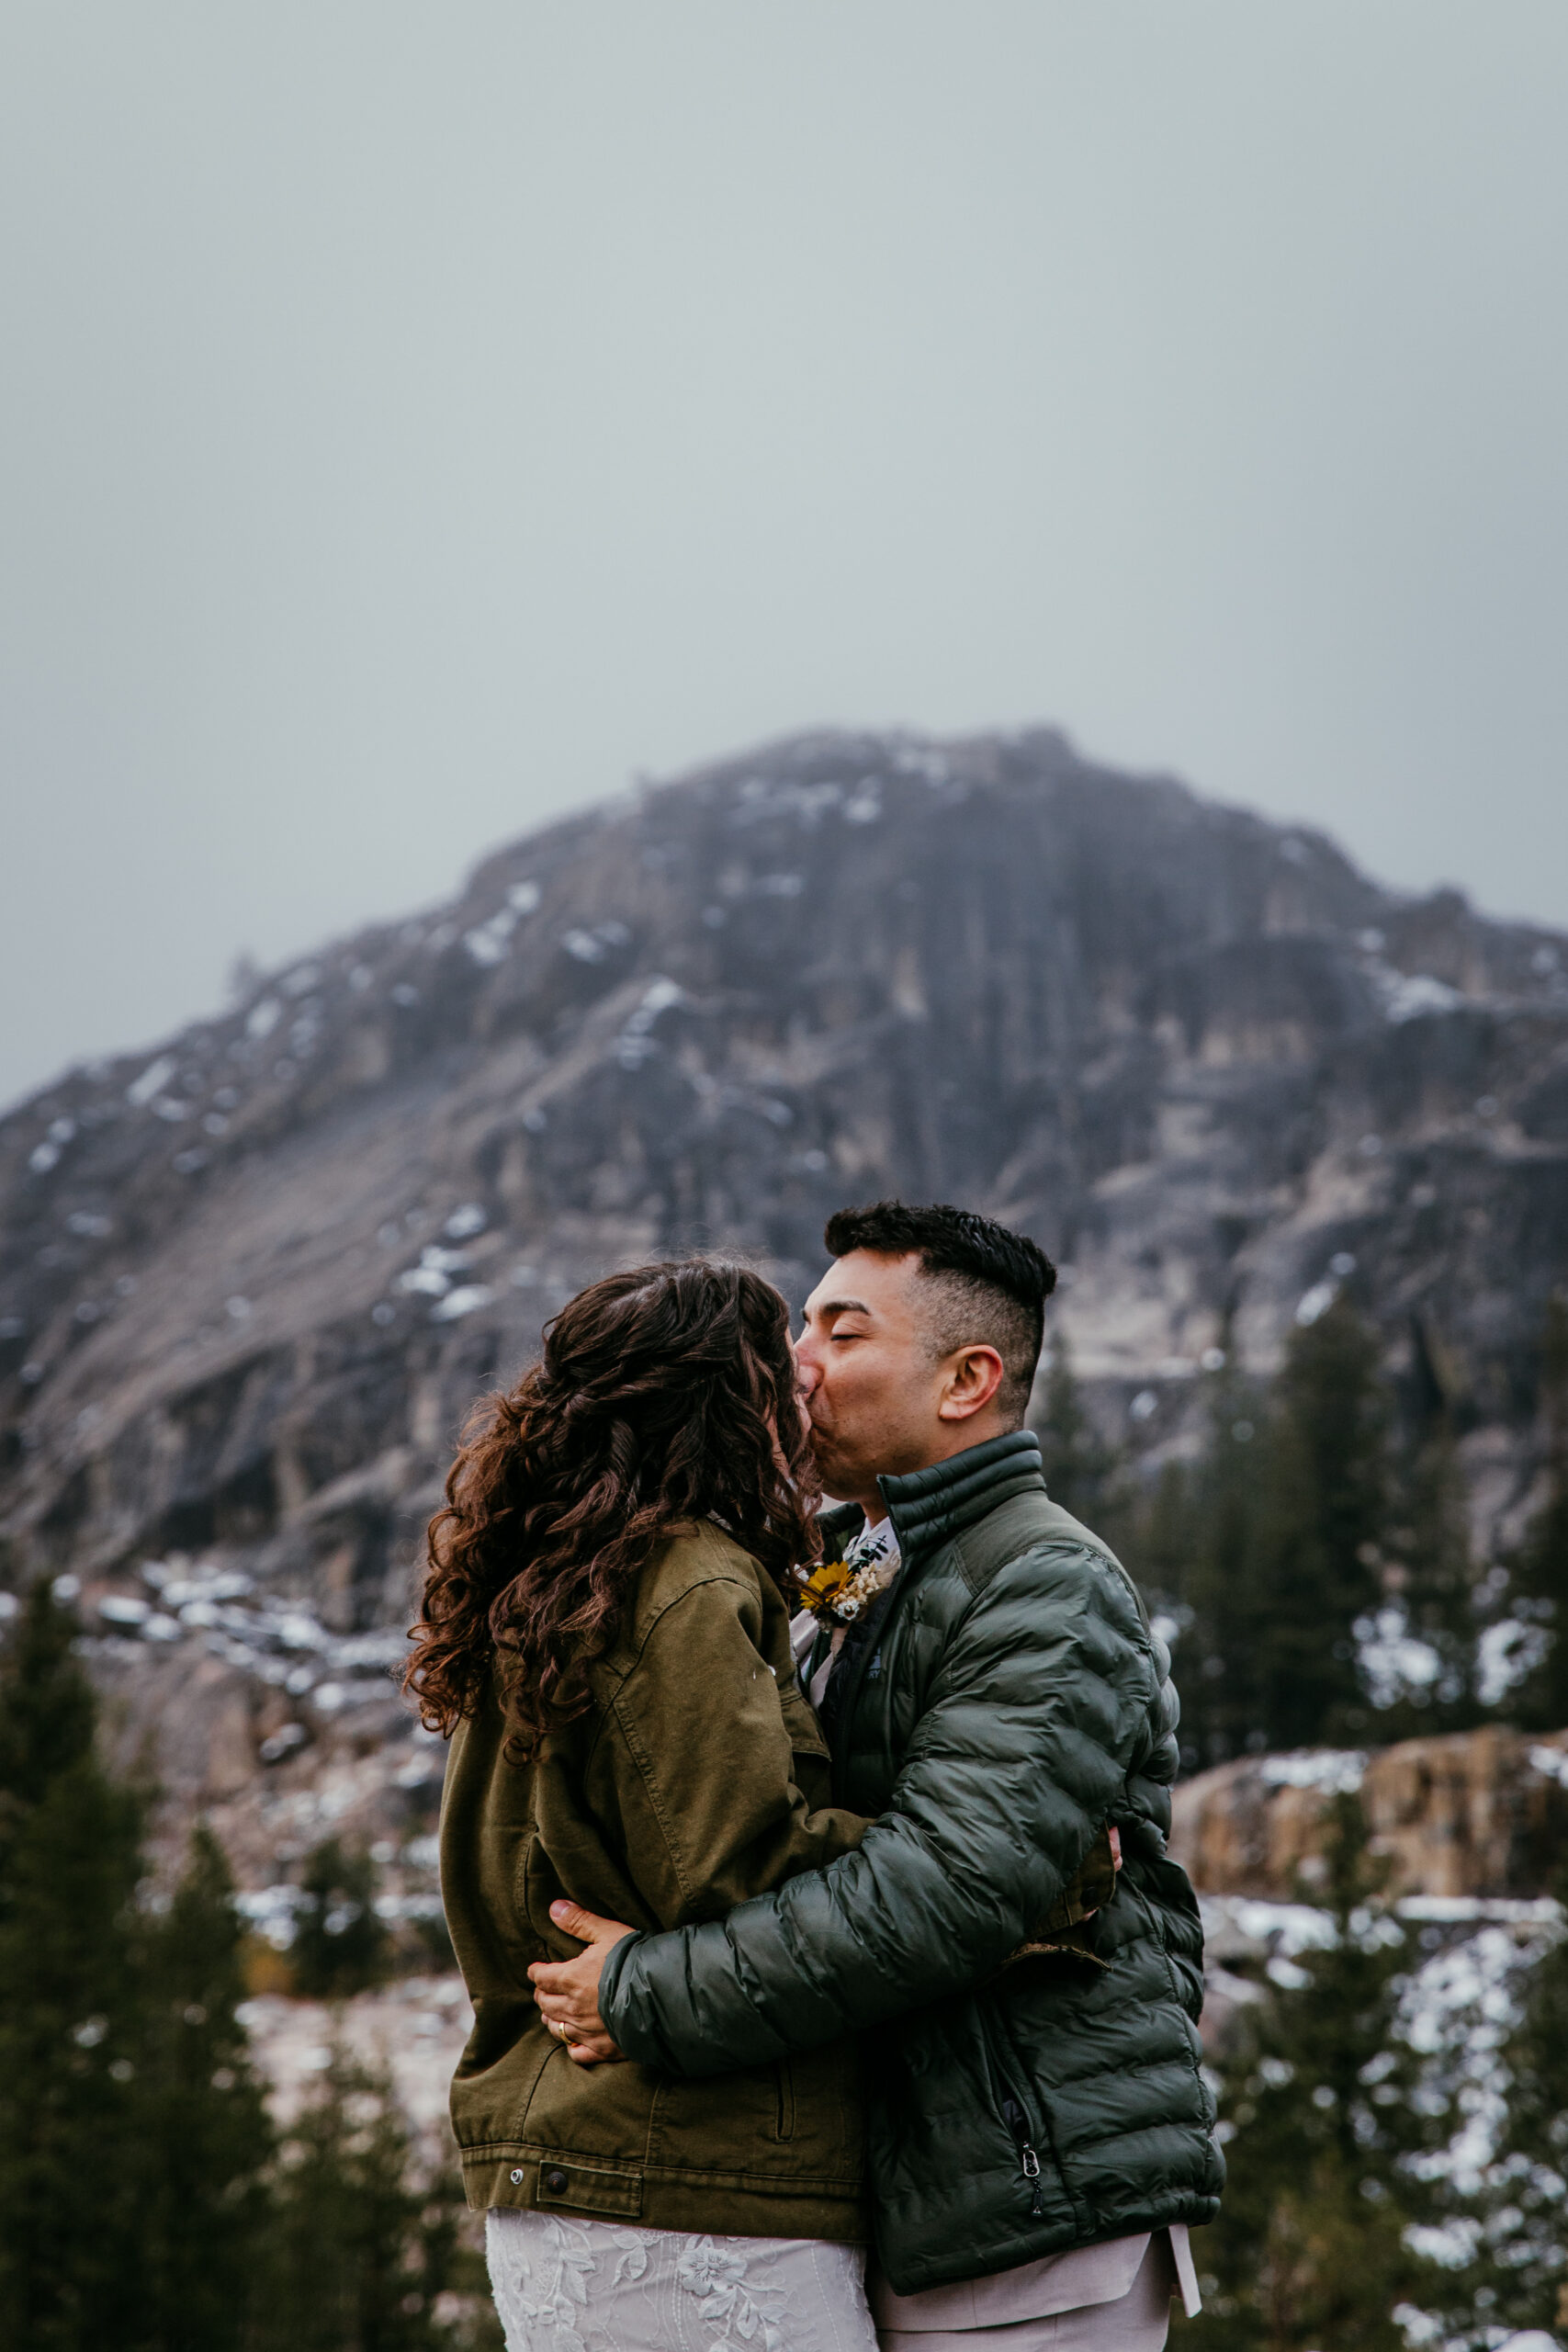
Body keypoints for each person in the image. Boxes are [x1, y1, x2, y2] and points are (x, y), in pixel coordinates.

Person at [531, 1202, 1224, 2351]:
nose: (793, 1364)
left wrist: (645, 1991)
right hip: (923, 2183)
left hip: (1029, 2201)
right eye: (802, 1324)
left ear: (966, 1380)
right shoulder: (866, 1564)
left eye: (841, 1334)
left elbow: (942, 1893)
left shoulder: (1043, 1582)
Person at [405, 1260, 883, 2351]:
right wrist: (974, 1846)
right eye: (784, 1376)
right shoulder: (694, 1581)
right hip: (686, 2184)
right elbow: (744, 1873)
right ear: (736, 1406)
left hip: (568, 2173)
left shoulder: (542, 1583)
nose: (808, 1395)